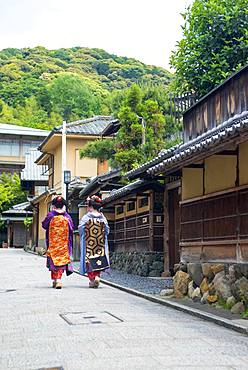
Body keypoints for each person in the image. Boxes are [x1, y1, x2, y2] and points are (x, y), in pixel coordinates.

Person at [42, 196, 74, 289]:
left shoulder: (51, 215)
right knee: (61, 260)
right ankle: (58, 279)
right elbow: (71, 228)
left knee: (53, 261)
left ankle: (57, 279)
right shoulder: (67, 216)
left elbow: (44, 225)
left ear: (53, 206)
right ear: (63, 205)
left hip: (53, 243)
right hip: (64, 244)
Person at [78, 195, 110, 288]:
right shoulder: (102, 218)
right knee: (99, 260)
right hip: (100, 245)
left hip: (89, 245)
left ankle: (92, 280)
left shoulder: (86, 217)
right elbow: (107, 231)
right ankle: (97, 276)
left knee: (89, 263)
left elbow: (81, 229)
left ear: (90, 206)